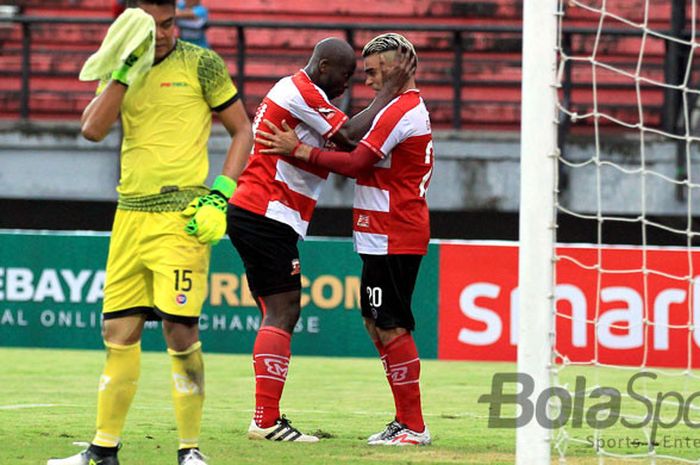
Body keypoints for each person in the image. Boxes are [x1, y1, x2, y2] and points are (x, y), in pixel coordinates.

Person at [47, 1, 253, 464]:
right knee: (117, 330)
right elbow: (92, 129)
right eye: (151, 25)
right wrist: (125, 68)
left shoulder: (202, 63)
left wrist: (221, 194)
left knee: (180, 332)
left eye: (168, 23)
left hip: (181, 217)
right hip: (130, 215)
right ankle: (103, 451)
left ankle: (189, 451)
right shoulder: (125, 69)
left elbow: (244, 130)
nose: (162, 34)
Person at [227, 37, 413, 442]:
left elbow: (341, 143)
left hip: (264, 213)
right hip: (264, 211)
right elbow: (348, 137)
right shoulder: (300, 92)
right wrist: (387, 93)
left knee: (278, 310)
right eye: (345, 75)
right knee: (284, 310)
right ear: (324, 66)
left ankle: (266, 417)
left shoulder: (303, 96)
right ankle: (266, 420)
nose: (348, 84)